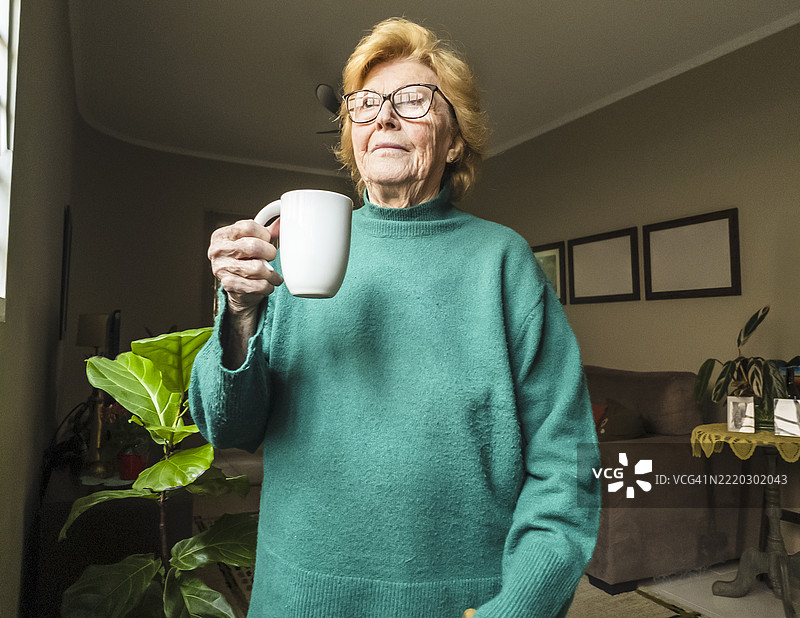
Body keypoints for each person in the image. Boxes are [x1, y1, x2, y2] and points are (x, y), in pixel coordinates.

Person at [190, 17, 600, 617]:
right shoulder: (292, 251)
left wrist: (518, 609)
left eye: (412, 100)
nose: (383, 116)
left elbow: (566, 469)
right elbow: (228, 429)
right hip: (295, 599)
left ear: (455, 139)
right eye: (366, 104)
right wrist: (241, 314)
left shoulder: (503, 262)